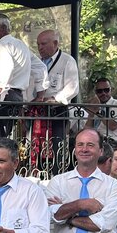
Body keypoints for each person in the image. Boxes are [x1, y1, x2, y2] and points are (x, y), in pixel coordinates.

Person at [35, 29, 80, 173]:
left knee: (56, 144)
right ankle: (38, 172)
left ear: (55, 43)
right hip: (38, 110)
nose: (40, 47)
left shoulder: (67, 60)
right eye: (38, 44)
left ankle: (56, 174)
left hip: (57, 110)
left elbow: (73, 87)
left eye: (43, 44)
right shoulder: (37, 62)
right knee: (37, 144)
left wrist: (55, 99)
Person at [0, 13, 31, 139]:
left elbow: (6, 70)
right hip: (15, 96)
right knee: (4, 138)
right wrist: (40, 94)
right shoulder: (20, 45)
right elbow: (39, 67)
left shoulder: (4, 43)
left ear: (3, 28)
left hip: (4, 96)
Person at [83, 77, 117, 141]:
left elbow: (113, 126)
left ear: (111, 90)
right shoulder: (95, 105)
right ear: (96, 92)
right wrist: (91, 114)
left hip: (112, 141)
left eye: (106, 90)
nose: (103, 93)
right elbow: (87, 129)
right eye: (99, 91)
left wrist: (98, 112)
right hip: (95, 140)